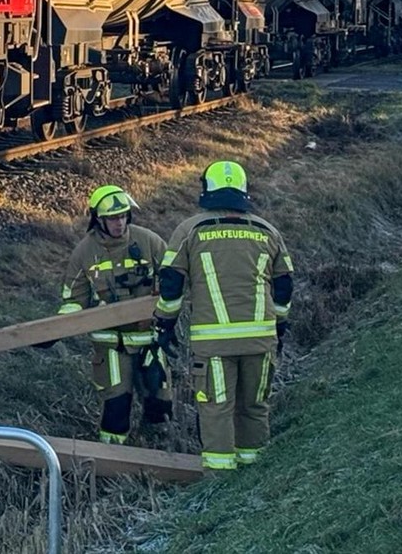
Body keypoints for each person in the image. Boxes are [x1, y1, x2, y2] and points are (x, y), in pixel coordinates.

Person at [155, 161, 294, 471]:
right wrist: (279, 327)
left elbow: (171, 284)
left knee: (217, 410)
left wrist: (165, 324)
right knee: (255, 407)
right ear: (243, 192)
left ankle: (220, 482)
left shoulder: (191, 230)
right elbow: (284, 287)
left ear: (207, 190)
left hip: (214, 345)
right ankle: (254, 473)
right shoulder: (267, 231)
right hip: (260, 341)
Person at [48, 185, 172, 444]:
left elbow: (174, 278)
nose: (119, 223)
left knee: (160, 403)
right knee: (117, 405)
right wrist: (54, 329)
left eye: (123, 215)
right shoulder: (84, 252)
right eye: (112, 218)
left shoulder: (149, 241)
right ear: (98, 220)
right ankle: (113, 460)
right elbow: (73, 300)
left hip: (149, 340)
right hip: (111, 346)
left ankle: (158, 451)